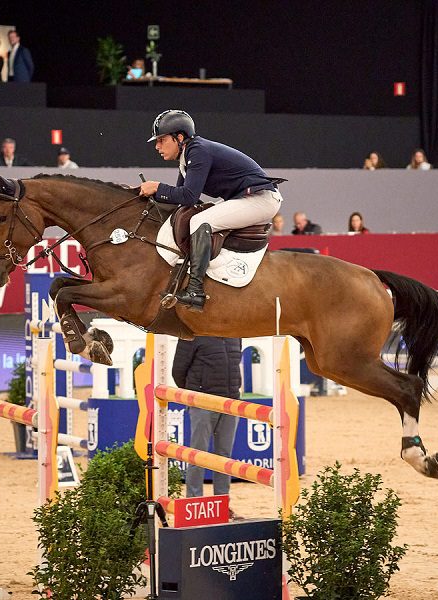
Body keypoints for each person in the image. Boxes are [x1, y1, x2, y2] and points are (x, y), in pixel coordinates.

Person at [139, 110, 284, 311]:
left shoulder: (197, 150)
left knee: (199, 222)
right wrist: (149, 195)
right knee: (195, 217)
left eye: (162, 140)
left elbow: (188, 196)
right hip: (249, 198)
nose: (157, 146)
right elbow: (183, 201)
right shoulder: (187, 156)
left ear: (179, 138)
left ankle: (196, 291)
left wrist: (157, 188)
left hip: (261, 199)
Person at [172, 336, 242, 512]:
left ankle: (223, 504)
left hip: (230, 403)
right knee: (197, 455)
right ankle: (194, 503)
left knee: (224, 458)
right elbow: (177, 370)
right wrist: (195, 395)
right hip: (202, 403)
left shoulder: (235, 334)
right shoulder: (192, 334)